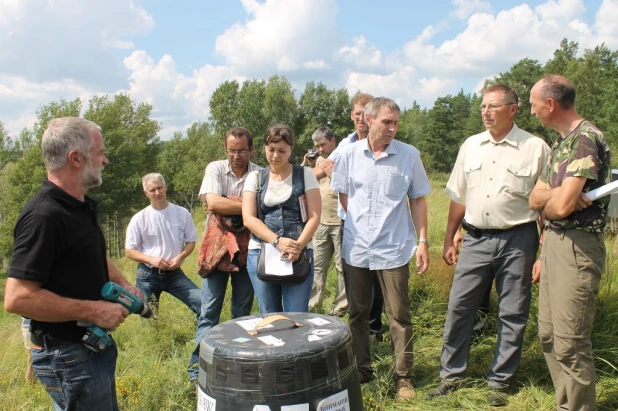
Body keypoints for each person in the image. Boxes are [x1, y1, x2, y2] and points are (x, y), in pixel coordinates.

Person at [4, 117, 140, 411]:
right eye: (99, 153)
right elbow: (17, 298)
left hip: (85, 350)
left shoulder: (76, 205)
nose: (105, 160)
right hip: (67, 355)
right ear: (75, 158)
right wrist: (94, 310)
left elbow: (93, 253)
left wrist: (124, 284)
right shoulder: (44, 216)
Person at [427, 85, 549, 407]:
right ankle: (451, 376)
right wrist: (449, 237)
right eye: (483, 106)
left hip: (519, 240)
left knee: (513, 312)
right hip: (476, 239)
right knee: (459, 308)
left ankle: (500, 381)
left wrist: (544, 255)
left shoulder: (535, 148)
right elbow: (459, 196)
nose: (486, 112)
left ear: (513, 109)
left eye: (493, 106)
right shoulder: (471, 146)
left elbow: (546, 209)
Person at [331, 97, 430, 401]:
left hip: (394, 247)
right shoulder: (348, 154)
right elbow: (344, 195)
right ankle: (361, 369)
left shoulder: (409, 155)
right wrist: (360, 223)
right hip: (357, 247)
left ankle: (403, 378)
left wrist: (423, 241)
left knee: (399, 314)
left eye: (396, 123)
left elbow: (418, 199)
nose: (393, 128)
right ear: (369, 120)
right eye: (387, 122)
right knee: (358, 313)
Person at [529, 74, 611, 411]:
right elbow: (535, 199)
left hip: (577, 248)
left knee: (571, 342)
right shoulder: (561, 143)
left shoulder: (584, 140)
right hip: (554, 245)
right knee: (549, 336)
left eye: (533, 104)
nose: (532, 112)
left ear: (550, 104)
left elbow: (560, 208)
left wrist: (555, 199)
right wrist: (555, 196)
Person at [190, 127, 260, 383]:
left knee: (241, 313)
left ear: (251, 150)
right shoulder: (216, 168)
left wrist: (229, 203)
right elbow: (213, 203)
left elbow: (260, 210)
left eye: (242, 150)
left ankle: (236, 365)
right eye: (232, 150)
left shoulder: (259, 173)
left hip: (247, 252)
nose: (237, 155)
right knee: (209, 312)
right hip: (216, 251)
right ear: (225, 149)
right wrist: (248, 206)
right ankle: (198, 370)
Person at [315, 93, 385, 341]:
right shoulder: (345, 145)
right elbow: (322, 169)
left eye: (366, 113)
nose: (362, 118)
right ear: (353, 115)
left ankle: (374, 330)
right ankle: (356, 328)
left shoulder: (386, 143)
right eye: (358, 113)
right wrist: (294, 180)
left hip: (378, 222)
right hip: (350, 222)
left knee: (377, 278)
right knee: (352, 275)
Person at [124, 173, 201, 381]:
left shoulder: (181, 213)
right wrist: (151, 259)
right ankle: (155, 361)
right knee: (149, 319)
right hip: (147, 274)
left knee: (203, 303)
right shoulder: (140, 218)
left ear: (166, 187)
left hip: (175, 274)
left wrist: (181, 256)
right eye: (152, 190)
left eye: (160, 188)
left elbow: (191, 242)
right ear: (145, 193)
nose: (157, 193)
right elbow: (129, 251)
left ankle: (201, 347)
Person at [242, 124, 321, 312]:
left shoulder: (305, 174)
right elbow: (248, 218)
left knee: (297, 315)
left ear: (291, 150)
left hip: (298, 254)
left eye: (282, 150)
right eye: (271, 150)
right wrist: (277, 241)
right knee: (269, 316)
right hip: (261, 252)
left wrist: (298, 246)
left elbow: (315, 216)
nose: (276, 155)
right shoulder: (255, 177)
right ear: (264, 148)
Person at [307, 126, 347, 316]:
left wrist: (332, 171)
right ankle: (313, 304)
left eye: (323, 144)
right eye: (317, 146)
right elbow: (308, 182)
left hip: (340, 221)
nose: (321, 149)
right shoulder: (319, 161)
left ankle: (340, 307)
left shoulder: (344, 156)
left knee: (341, 267)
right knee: (317, 265)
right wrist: (309, 164)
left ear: (333, 140)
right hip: (321, 221)